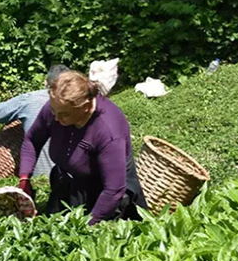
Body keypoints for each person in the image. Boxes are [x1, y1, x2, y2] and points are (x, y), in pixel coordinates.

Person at [18, 71, 148, 225]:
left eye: (64, 115)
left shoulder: (108, 131)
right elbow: (33, 140)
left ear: (85, 107)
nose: (56, 119)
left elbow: (114, 190)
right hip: (68, 183)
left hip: (105, 196)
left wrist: (88, 225)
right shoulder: (57, 107)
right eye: (53, 111)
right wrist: (24, 179)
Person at [0, 64, 70, 178]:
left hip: (39, 178)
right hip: (75, 179)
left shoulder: (30, 99)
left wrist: (21, 117)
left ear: (45, 83)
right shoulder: (81, 104)